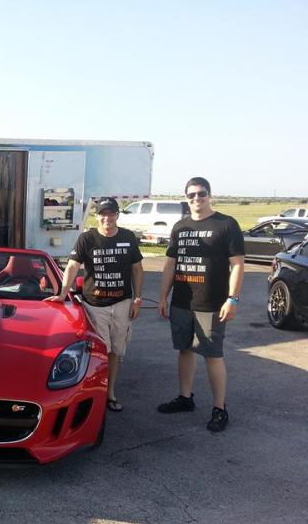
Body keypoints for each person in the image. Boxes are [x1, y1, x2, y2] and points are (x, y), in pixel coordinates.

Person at [157, 177, 245, 432]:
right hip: (182, 302)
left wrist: (233, 298)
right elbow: (170, 264)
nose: (197, 198)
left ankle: (220, 408)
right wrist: (164, 296)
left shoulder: (226, 224)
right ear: (186, 198)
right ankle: (185, 398)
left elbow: (238, 264)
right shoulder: (180, 226)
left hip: (212, 303)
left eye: (201, 193)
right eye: (191, 195)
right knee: (185, 350)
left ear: (210, 195)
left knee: (212, 355)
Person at [47, 197, 143, 411]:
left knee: (115, 351)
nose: (107, 217)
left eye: (111, 213)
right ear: (97, 216)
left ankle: (110, 393)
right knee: (100, 351)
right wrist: (63, 294)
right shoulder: (86, 239)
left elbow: (137, 269)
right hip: (94, 305)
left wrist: (137, 299)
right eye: (103, 213)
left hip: (122, 302)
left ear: (117, 215)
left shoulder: (128, 237)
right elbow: (72, 267)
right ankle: (95, 394)